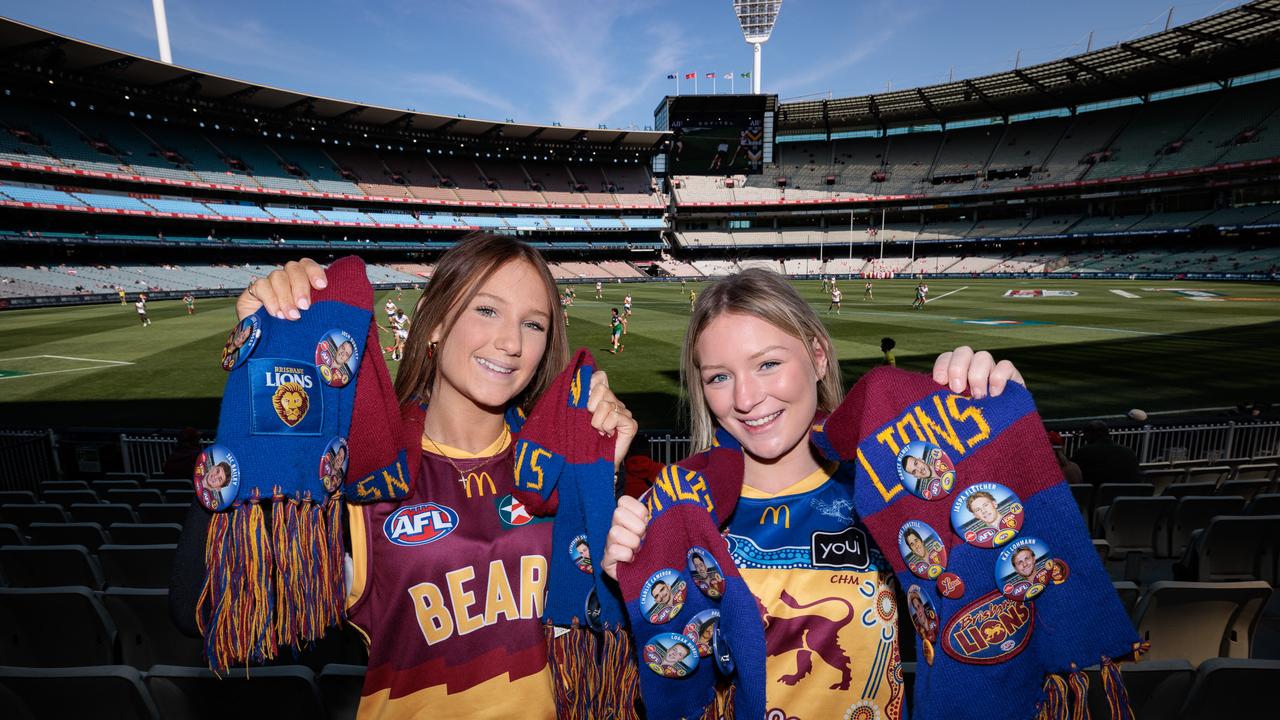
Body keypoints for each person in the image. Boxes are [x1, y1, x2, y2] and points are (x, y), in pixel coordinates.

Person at [172, 234, 636, 719]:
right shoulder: (361, 472)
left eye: (533, 324)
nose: (512, 342)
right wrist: (263, 396)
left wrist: (605, 477)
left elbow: (615, 623)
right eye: (486, 310)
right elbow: (201, 608)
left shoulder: (558, 468)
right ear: (433, 323)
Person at [602, 268, 1023, 717]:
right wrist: (622, 585)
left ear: (818, 357)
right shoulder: (677, 502)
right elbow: (668, 669)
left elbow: (990, 584)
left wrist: (995, 432)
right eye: (719, 377)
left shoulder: (889, 479)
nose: (745, 398)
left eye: (767, 364)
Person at [1070, 421, 1140, 486]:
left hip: (1096, 496)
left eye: (1085, 434)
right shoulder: (1129, 452)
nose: (1084, 437)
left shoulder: (1083, 452)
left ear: (1090, 434)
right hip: (1128, 495)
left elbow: (1073, 472)